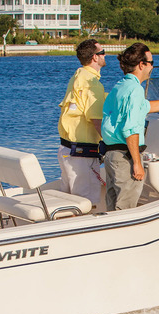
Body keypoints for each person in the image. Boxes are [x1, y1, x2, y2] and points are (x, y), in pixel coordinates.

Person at [101, 42, 159, 210]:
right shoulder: (135, 90)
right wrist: (137, 163)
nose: (152, 67)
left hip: (111, 155)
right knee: (125, 209)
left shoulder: (120, 86)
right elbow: (130, 130)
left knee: (113, 206)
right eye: (151, 63)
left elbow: (146, 107)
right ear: (141, 65)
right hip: (125, 157)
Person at [57, 39, 107, 207]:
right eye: (102, 52)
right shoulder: (92, 84)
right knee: (86, 204)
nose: (105, 55)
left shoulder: (77, 77)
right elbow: (97, 121)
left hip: (66, 150)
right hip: (82, 154)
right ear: (95, 57)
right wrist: (111, 145)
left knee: (69, 203)